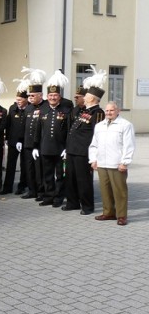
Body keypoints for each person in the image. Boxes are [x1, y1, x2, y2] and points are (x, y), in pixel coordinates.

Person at [64, 75, 105, 215]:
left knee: (83, 180)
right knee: (70, 178)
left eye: (86, 95)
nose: (83, 97)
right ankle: (72, 202)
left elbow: (98, 134)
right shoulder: (85, 111)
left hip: (83, 152)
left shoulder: (98, 113)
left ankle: (87, 206)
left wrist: (95, 155)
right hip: (72, 150)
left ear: (92, 98)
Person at [89, 101, 135, 226]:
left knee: (119, 191)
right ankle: (108, 212)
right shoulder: (99, 125)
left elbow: (129, 145)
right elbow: (94, 144)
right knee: (105, 190)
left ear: (118, 111)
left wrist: (125, 162)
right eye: (107, 111)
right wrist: (93, 159)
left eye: (111, 110)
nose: (109, 113)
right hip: (102, 163)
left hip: (117, 164)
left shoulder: (125, 125)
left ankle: (121, 215)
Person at [34, 72, 71, 208]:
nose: (53, 97)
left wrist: (67, 148)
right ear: (47, 97)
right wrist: (35, 146)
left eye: (55, 95)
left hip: (60, 149)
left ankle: (58, 197)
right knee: (47, 174)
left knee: (60, 175)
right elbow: (38, 130)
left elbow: (68, 131)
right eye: (50, 95)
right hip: (45, 148)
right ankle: (48, 196)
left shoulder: (66, 111)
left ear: (59, 97)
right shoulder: (43, 110)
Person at [1, 83, 29, 195]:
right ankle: (7, 187)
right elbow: (8, 124)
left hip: (25, 142)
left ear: (26, 99)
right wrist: (7, 138)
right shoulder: (12, 108)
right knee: (10, 165)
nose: (18, 101)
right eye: (17, 99)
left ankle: (22, 186)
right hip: (13, 141)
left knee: (24, 165)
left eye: (20, 99)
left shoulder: (30, 109)